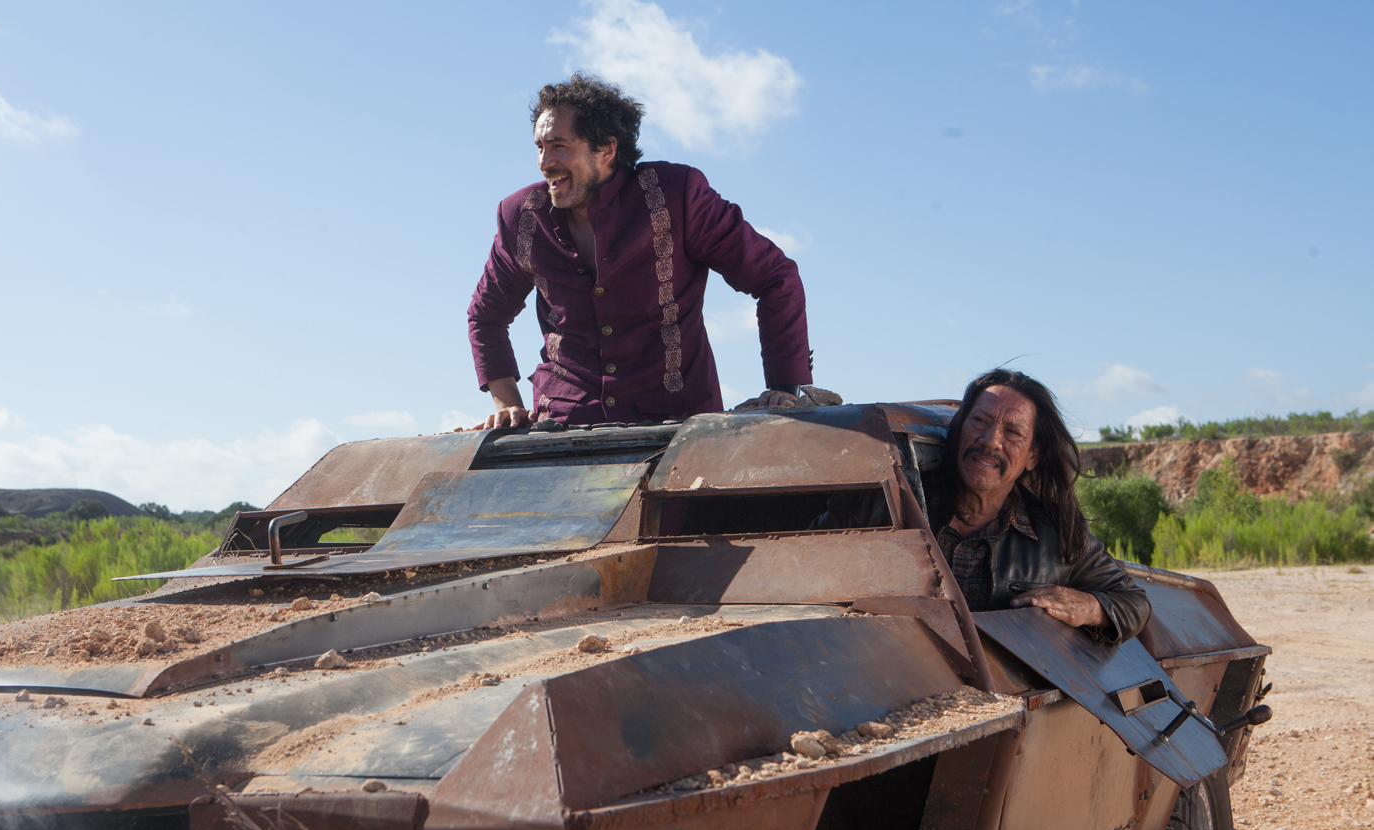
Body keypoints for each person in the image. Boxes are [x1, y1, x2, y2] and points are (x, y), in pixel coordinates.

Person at [466, 73, 811, 429]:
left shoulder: (677, 195)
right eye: (540, 146)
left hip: (679, 429)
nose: (544, 161)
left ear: (607, 150)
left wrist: (784, 387)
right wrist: (507, 402)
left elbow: (774, 276)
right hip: (563, 427)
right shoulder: (522, 217)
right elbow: (485, 315)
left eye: (558, 146)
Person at [817, 369, 1151, 644]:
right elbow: (806, 571)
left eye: (1013, 432)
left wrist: (1089, 607)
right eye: (980, 421)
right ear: (960, 428)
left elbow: (1134, 602)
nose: (991, 440)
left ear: (1033, 455)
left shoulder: (1057, 535)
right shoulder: (878, 505)